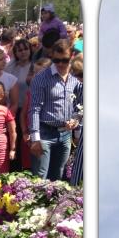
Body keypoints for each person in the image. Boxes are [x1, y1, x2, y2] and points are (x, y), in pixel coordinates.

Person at [26, 38, 80, 180]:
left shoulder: (76, 77)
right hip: (45, 132)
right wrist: (35, 139)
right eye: (56, 60)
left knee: (59, 176)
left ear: (72, 56)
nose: (60, 64)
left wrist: (75, 123)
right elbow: (34, 109)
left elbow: (79, 105)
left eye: (64, 60)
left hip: (66, 133)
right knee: (40, 177)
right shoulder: (41, 78)